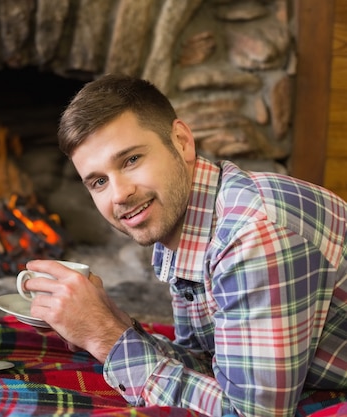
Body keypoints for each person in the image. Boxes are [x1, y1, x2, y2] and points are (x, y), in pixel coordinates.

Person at [23, 74, 347, 417]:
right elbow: (210, 365)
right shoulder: (183, 218)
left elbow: (248, 413)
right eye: (99, 181)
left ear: (181, 141)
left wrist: (106, 339)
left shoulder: (251, 236)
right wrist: (108, 320)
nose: (119, 195)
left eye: (131, 160)